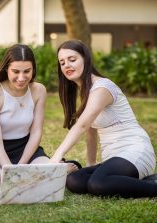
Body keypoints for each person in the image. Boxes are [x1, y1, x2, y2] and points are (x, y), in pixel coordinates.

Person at [49, 39, 157, 198]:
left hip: (134, 151)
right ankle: (147, 180)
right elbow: (90, 132)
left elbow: (82, 125)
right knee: (75, 180)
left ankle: (153, 187)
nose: (66, 65)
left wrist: (56, 156)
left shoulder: (102, 87)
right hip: (113, 159)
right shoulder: (85, 92)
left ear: (85, 59)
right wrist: (90, 165)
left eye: (72, 60)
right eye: (62, 62)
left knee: (97, 184)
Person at [0, 44, 80, 186]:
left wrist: (21, 165)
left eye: (27, 71)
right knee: (0, 177)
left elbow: (36, 132)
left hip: (25, 147)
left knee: (36, 169)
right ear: (6, 69)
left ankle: (48, 170)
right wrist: (11, 170)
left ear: (33, 69)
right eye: (15, 71)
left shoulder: (39, 90)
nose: (21, 78)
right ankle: (52, 172)